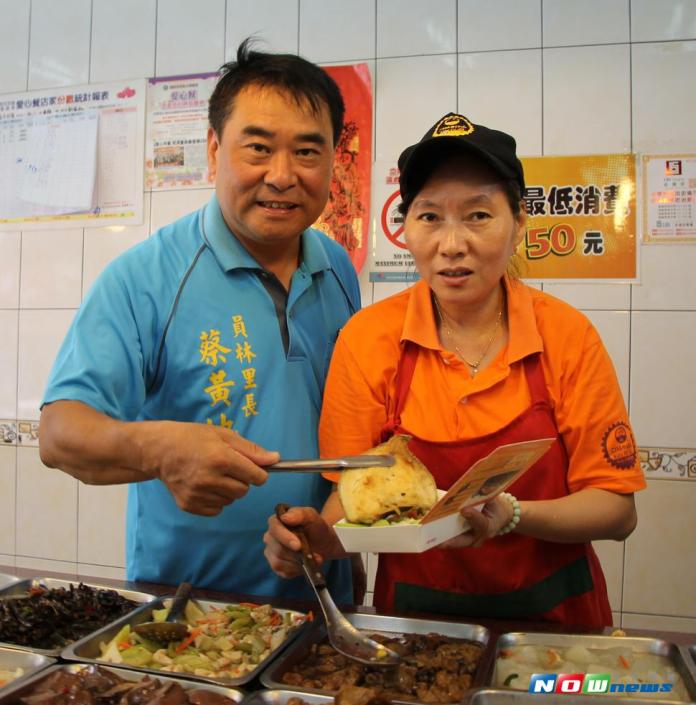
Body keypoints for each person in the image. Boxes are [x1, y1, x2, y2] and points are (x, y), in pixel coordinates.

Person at [264, 112, 646, 627]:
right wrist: (312, 542)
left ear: (518, 228)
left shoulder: (565, 335)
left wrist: (511, 514)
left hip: (556, 613)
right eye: (429, 217)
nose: (451, 244)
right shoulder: (369, 339)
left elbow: (618, 512)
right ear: (406, 229)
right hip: (418, 616)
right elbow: (349, 498)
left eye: (479, 216)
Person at [38, 40, 361, 602]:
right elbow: (60, 433)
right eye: (257, 148)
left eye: (308, 152)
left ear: (334, 158)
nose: (282, 176)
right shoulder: (146, 277)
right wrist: (161, 449)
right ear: (214, 151)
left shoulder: (336, 267)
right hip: (191, 610)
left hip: (322, 600)